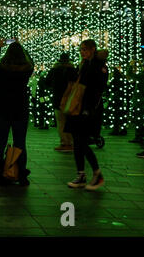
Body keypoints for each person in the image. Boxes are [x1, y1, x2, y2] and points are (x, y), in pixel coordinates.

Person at [0, 39, 34, 186]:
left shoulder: (1, 69)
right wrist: (22, 47)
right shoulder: (27, 70)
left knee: (0, 143)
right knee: (20, 144)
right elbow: (31, 62)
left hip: (3, 110)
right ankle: (22, 175)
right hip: (20, 110)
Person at [65, 39, 108, 190]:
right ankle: (81, 174)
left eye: (85, 49)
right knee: (77, 142)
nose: (82, 52)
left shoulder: (98, 66)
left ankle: (97, 173)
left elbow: (98, 89)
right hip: (78, 106)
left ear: (92, 50)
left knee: (82, 141)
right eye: (81, 49)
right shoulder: (84, 64)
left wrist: (88, 109)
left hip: (88, 109)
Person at [45, 52, 77, 152]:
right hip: (71, 99)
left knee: (61, 121)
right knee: (70, 121)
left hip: (58, 99)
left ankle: (64, 142)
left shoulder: (54, 70)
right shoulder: (73, 70)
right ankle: (71, 142)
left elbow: (47, 82)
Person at [126, 60, 144, 158]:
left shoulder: (142, 75)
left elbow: (130, 75)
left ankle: (139, 137)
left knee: (140, 120)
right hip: (139, 101)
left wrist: (130, 65)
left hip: (140, 102)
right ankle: (139, 136)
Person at [106, 67, 128, 136]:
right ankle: (123, 129)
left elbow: (111, 87)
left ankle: (116, 130)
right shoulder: (121, 78)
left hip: (116, 98)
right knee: (121, 114)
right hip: (121, 98)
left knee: (116, 114)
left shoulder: (114, 78)